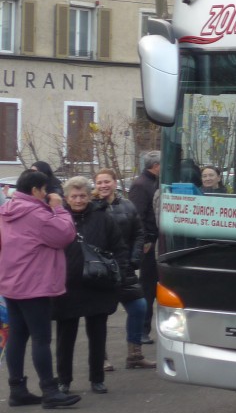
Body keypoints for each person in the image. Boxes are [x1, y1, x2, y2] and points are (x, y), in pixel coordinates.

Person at [0, 168, 80, 408]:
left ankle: (17, 389)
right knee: (41, 338)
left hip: (12, 283)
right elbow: (65, 235)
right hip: (34, 285)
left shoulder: (7, 211)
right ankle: (50, 391)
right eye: (45, 190)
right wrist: (59, 208)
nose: (47, 194)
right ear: (35, 190)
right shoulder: (36, 214)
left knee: (17, 336)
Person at [52, 177, 122, 394]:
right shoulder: (57, 218)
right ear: (66, 198)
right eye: (74, 196)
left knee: (98, 335)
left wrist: (118, 274)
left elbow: (118, 247)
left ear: (89, 196)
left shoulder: (103, 217)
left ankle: (97, 378)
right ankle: (64, 380)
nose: (79, 200)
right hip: (67, 285)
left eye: (82, 195)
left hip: (98, 284)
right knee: (65, 337)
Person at [93, 169, 153, 371]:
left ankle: (135, 356)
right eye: (99, 182)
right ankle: (100, 358)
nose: (103, 185)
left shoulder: (128, 206)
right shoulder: (91, 208)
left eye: (106, 181)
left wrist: (135, 258)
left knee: (139, 307)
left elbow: (138, 233)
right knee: (99, 315)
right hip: (99, 271)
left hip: (124, 268)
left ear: (114, 182)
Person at [127, 151, 160, 344]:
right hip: (149, 245)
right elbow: (137, 216)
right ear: (155, 166)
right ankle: (141, 331)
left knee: (152, 288)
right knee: (147, 288)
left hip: (155, 241)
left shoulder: (153, 183)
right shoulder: (140, 185)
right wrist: (145, 241)